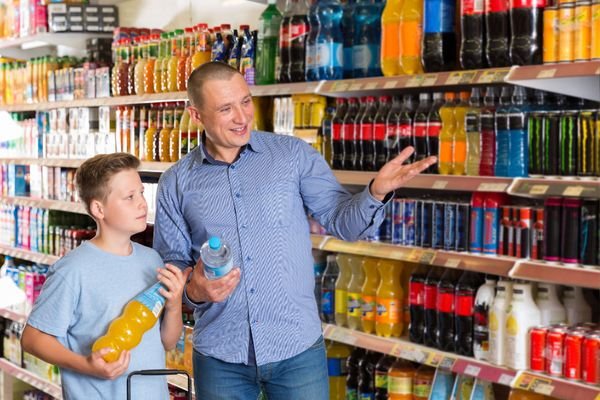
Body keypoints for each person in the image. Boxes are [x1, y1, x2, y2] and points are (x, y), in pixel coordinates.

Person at [153, 62, 436, 400]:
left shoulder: (292, 156)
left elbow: (342, 222)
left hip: (296, 349)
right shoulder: (176, 182)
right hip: (220, 354)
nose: (242, 117)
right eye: (226, 109)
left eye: (245, 102)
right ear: (196, 115)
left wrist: (375, 192)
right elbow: (172, 268)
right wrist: (195, 291)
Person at [21, 153, 189, 399]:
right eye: (129, 197)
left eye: (141, 193)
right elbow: (32, 339)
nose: (142, 203)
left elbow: (167, 342)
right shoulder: (73, 270)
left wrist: (174, 305)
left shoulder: (152, 259)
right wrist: (85, 364)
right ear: (98, 208)